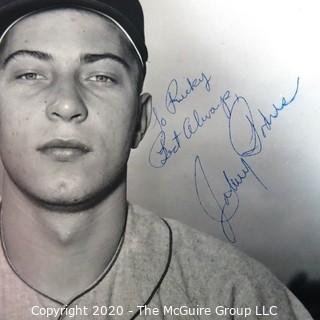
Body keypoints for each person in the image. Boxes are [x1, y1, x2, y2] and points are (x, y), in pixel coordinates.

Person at [0, 0, 313, 319]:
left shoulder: (239, 298)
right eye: (29, 74)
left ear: (140, 120)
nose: (67, 104)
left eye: (101, 77)